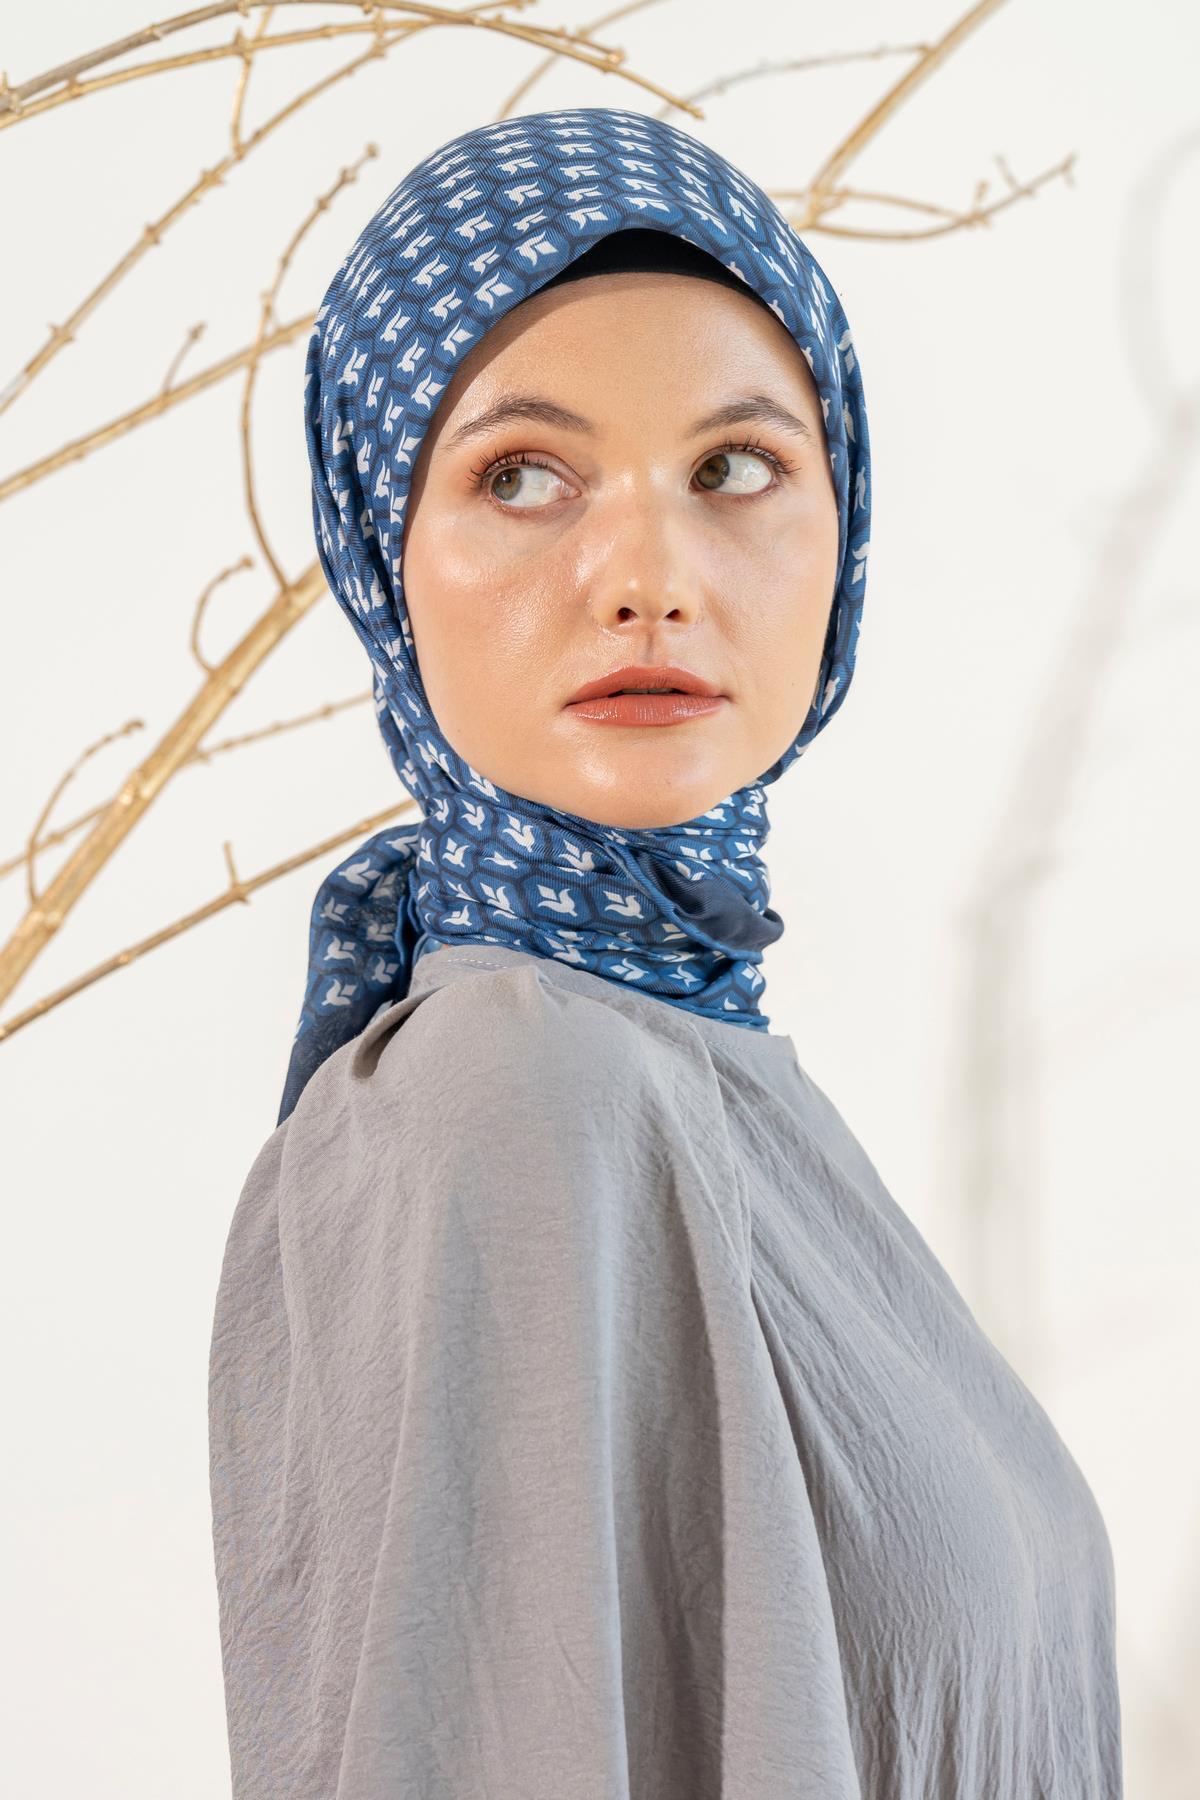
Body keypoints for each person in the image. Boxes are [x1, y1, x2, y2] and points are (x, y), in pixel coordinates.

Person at [207, 107, 1123, 1798]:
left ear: (843, 525)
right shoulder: (521, 1088)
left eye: (733, 468)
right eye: (520, 477)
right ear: (381, 551)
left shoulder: (695, 1058)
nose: (645, 578)